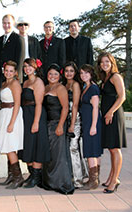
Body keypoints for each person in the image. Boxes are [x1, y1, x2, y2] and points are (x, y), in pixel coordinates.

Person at [42, 64, 74, 195]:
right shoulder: (46, 87)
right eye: (50, 74)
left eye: (55, 74)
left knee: (59, 155)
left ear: (59, 76)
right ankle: (50, 182)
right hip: (47, 124)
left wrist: (61, 125)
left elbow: (65, 108)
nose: (52, 76)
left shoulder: (60, 88)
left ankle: (62, 183)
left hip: (57, 124)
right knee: (51, 154)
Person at [97, 52, 127, 193]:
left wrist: (110, 112)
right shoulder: (105, 78)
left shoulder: (116, 77)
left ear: (112, 63)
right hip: (108, 116)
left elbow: (122, 97)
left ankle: (114, 180)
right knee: (111, 148)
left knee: (115, 148)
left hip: (114, 115)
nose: (105, 64)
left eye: (107, 62)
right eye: (102, 62)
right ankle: (112, 177)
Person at [18, 58, 50, 188]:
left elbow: (39, 103)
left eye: (29, 66)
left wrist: (36, 122)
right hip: (25, 115)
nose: (27, 68)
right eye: (25, 66)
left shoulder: (38, 82)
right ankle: (32, 174)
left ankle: (36, 177)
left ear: (35, 67)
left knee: (36, 144)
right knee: (28, 145)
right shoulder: (25, 82)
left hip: (35, 115)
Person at [0, 61, 24, 189]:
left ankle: (19, 177)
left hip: (12, 115)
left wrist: (12, 123)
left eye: (11, 71)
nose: (8, 73)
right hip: (3, 114)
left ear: (15, 72)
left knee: (10, 146)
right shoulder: (4, 83)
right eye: (6, 70)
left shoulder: (15, 84)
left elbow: (17, 103)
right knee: (7, 146)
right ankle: (11, 176)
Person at [62, 61, 89, 188]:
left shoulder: (76, 85)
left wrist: (72, 124)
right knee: (69, 149)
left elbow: (76, 105)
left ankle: (78, 179)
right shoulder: (65, 84)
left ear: (75, 72)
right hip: (65, 118)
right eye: (66, 71)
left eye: (71, 71)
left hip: (74, 118)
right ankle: (77, 175)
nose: (69, 73)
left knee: (74, 148)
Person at [79, 64, 103, 190]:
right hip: (88, 122)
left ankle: (93, 181)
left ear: (91, 74)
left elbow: (95, 108)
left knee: (91, 150)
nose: (83, 75)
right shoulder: (86, 87)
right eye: (82, 73)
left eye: (86, 73)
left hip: (92, 122)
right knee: (95, 150)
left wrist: (93, 126)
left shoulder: (93, 88)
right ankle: (95, 179)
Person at [16, 17, 42, 82]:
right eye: (20, 24)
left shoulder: (34, 40)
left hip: (32, 69)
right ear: (17, 27)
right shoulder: (14, 40)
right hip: (18, 69)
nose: (23, 26)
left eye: (25, 24)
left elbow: (39, 55)